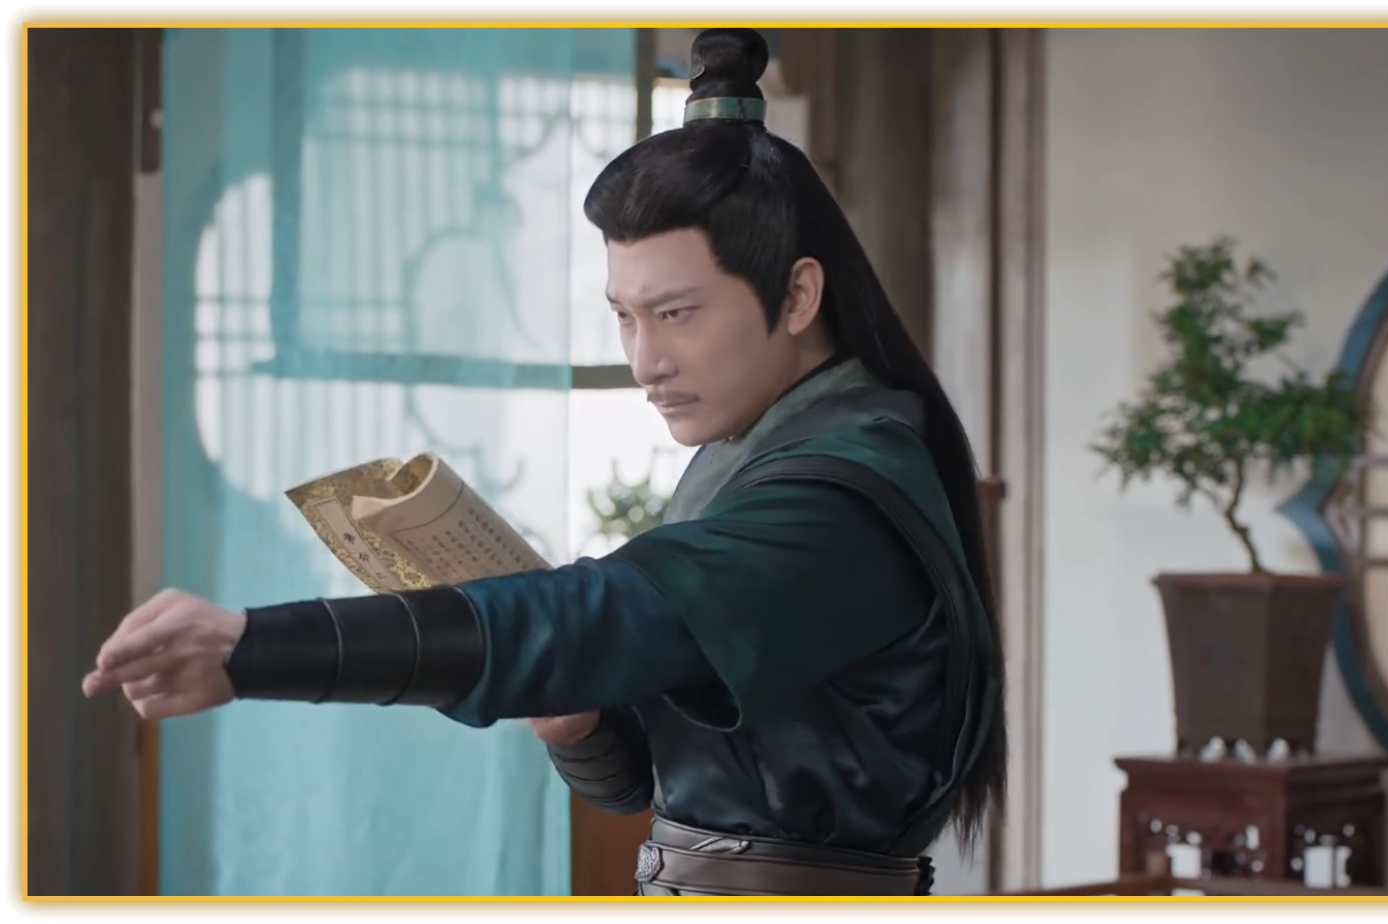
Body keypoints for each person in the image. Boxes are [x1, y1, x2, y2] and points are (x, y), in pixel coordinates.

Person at [82, 28, 1007, 898]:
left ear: (798, 294)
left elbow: (598, 618)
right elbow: (648, 782)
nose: (644, 362)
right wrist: (581, 722)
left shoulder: (838, 498)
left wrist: (252, 647)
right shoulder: (750, 450)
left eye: (676, 314)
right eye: (624, 317)